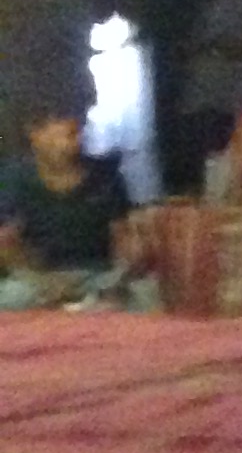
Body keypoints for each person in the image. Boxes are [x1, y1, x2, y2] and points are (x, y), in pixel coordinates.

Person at [0, 103, 157, 309]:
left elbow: (122, 239)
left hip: (98, 275)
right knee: (11, 297)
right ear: (35, 135)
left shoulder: (106, 177)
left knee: (146, 293)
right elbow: (7, 244)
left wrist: (128, 266)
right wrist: (43, 282)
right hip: (38, 279)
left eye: (76, 133)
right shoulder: (14, 179)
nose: (73, 143)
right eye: (63, 136)